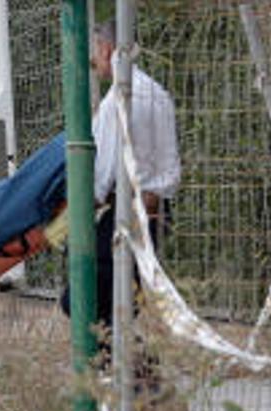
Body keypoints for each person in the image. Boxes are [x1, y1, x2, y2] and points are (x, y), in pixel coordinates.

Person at [61, 19, 181, 373]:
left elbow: (103, 171)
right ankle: (131, 383)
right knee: (119, 302)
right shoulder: (156, 92)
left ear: (105, 48)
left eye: (94, 53)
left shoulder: (120, 98)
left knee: (82, 300)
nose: (93, 63)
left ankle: (140, 380)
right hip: (155, 209)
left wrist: (77, 213)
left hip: (124, 210)